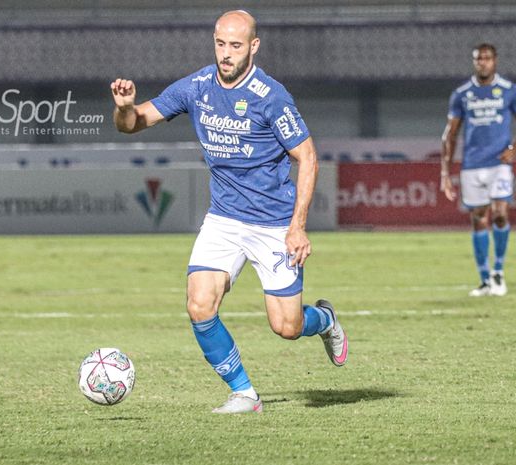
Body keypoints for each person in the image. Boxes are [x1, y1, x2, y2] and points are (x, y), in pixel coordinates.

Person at [110, 10, 348, 414]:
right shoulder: (197, 85)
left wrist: (298, 228)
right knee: (199, 305)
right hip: (223, 219)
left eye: (236, 45)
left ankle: (323, 320)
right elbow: (133, 124)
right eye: (220, 43)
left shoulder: (271, 96)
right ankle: (244, 393)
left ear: (253, 46)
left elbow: (307, 157)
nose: (226, 53)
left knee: (286, 328)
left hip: (273, 224)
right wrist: (124, 107)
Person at [440, 43, 516, 297]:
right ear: (474, 62)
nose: (482, 62)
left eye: (487, 58)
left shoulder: (509, 91)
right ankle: (484, 279)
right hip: (472, 166)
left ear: (495, 61)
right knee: (479, 218)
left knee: (501, 213)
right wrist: (445, 173)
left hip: (499, 165)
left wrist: (515, 148)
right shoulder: (462, 94)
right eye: (478, 59)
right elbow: (450, 134)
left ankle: (499, 272)